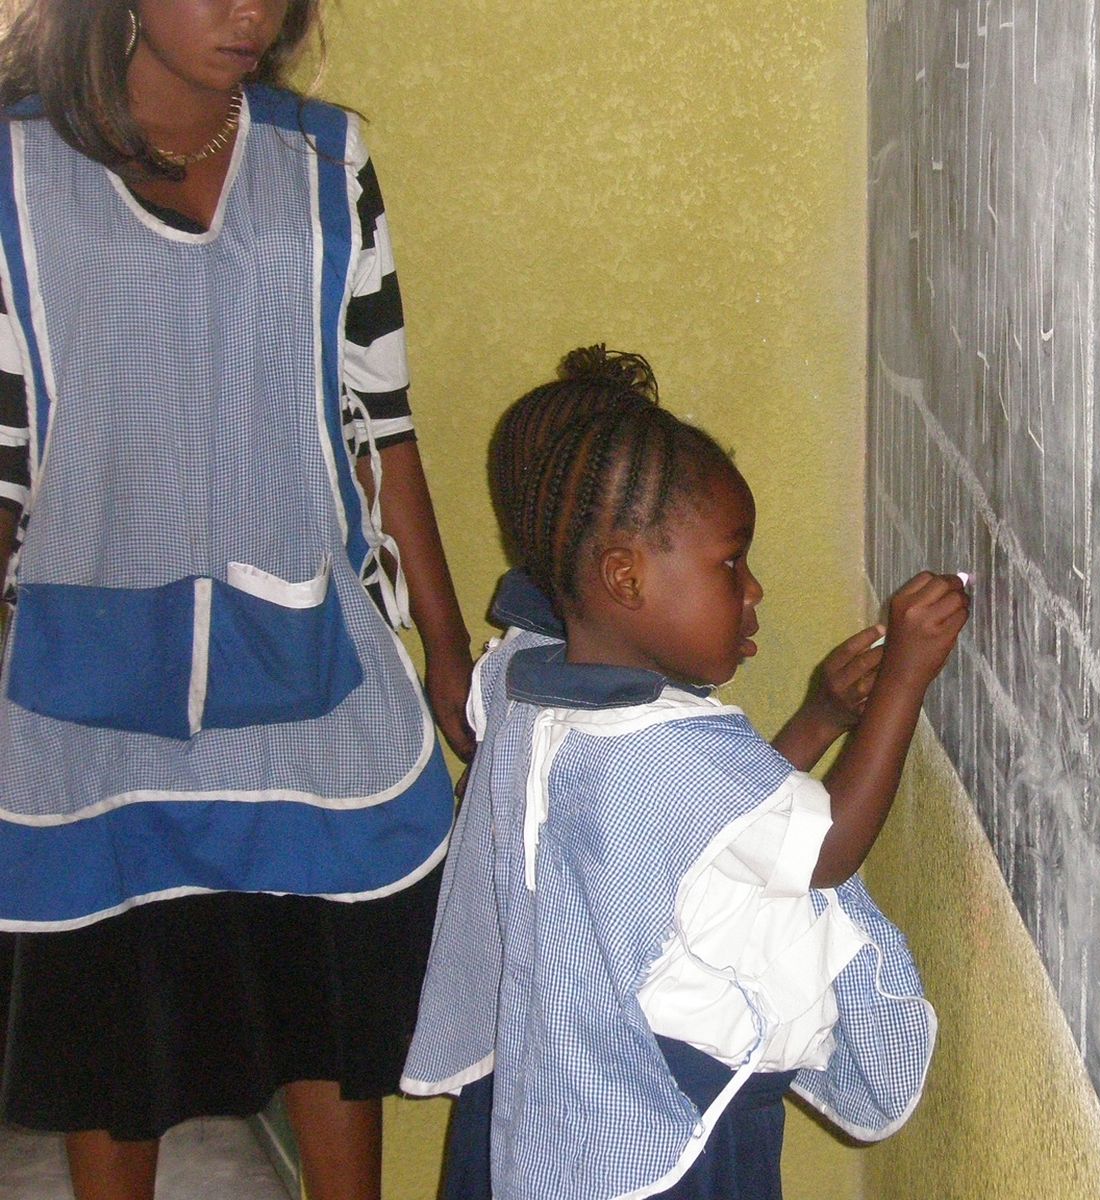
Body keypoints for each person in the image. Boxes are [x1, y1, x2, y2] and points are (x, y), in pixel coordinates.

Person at [0, 3, 473, 1198]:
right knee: (116, 1031)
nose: (247, 10)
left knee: (331, 997)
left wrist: (450, 649)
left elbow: (385, 419)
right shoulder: (14, 173)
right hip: (84, 699)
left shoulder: (325, 161)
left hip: (307, 669)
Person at [402, 347, 968, 1199]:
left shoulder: (523, 687)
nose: (754, 589)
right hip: (675, 1118)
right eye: (729, 564)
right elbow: (827, 849)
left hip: (557, 1094)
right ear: (623, 574)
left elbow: (700, 837)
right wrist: (906, 680)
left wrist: (818, 719)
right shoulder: (664, 742)